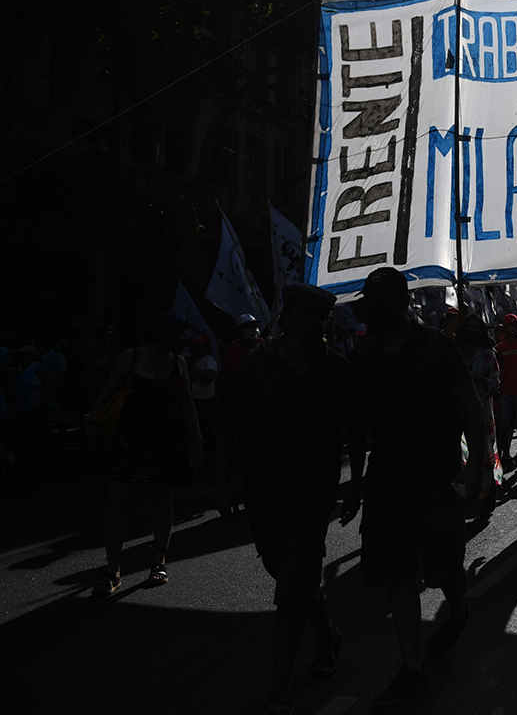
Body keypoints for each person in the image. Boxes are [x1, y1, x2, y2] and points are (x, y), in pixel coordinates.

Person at [217, 285, 366, 715]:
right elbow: (227, 424)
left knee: (289, 590)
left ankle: (278, 690)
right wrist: (222, 483)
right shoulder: (255, 366)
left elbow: (356, 429)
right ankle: (328, 632)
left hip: (313, 496)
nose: (314, 325)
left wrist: (356, 483)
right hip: (263, 494)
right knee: (287, 574)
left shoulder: (337, 369)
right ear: (285, 320)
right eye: (305, 317)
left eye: (320, 318)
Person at [350, 268, 486, 709]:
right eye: (369, 303)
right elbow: (350, 420)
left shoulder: (437, 346)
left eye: (380, 303)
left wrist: (475, 468)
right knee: (398, 574)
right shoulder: (364, 353)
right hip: (387, 483)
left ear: (401, 303)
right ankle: (412, 670)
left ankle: (457, 611)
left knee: (445, 570)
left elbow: (472, 408)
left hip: (435, 480)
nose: (372, 311)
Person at [86, 311, 203, 597]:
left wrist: (198, 439)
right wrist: (92, 423)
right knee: (117, 503)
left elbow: (186, 404)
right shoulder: (131, 357)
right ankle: (113, 570)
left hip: (165, 442)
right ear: (165, 333)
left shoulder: (179, 363)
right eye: (181, 332)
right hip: (127, 440)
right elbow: (107, 391)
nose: (185, 338)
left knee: (163, 502)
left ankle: (159, 562)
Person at [455, 313, 502, 499]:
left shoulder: (487, 354)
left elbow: (495, 382)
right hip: (457, 409)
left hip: (481, 408)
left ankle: (487, 489)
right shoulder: (454, 352)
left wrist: (476, 377)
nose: (471, 330)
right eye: (468, 327)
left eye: (475, 327)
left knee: (484, 449)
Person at [494, 313, 517, 469]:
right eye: (511, 325)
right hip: (506, 393)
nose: (514, 327)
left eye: (516, 324)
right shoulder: (500, 348)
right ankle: (506, 456)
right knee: (505, 427)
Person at [186, 334, 219, 470]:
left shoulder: (209, 361)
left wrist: (191, 367)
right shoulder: (186, 359)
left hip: (205, 402)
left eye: (199, 346)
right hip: (190, 400)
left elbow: (208, 377)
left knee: (206, 432)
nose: (195, 349)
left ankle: (209, 460)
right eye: (193, 346)